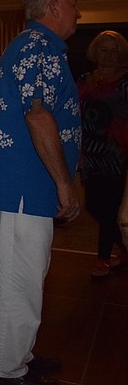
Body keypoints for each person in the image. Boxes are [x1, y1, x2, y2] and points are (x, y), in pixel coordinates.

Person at [0, 0, 82, 385]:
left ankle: (20, 354)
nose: (77, 12)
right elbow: (38, 116)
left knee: (27, 274)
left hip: (24, 181)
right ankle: (5, 370)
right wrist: (65, 184)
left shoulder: (36, 46)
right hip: (23, 181)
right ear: (53, 7)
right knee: (19, 280)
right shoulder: (38, 47)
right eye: (72, 4)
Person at [77, 30, 128, 277]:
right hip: (90, 153)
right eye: (103, 49)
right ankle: (125, 249)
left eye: (113, 50)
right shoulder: (85, 79)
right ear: (95, 52)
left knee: (110, 208)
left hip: (117, 153)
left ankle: (103, 258)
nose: (108, 55)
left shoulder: (126, 82)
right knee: (93, 205)